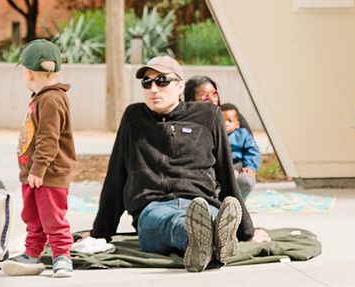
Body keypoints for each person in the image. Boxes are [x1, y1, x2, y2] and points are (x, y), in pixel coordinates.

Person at [84, 56, 270, 272]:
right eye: (147, 82)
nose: (154, 89)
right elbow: (116, 176)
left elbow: (225, 173)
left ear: (180, 85)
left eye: (162, 81)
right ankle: (209, 241)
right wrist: (100, 232)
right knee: (175, 224)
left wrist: (247, 230)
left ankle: (211, 239)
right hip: (153, 208)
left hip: (202, 201)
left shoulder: (208, 115)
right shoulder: (134, 118)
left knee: (211, 216)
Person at [2, 40, 77, 280]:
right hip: (33, 172)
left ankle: (62, 255)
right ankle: (32, 253)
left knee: (52, 216)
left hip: (48, 173)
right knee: (32, 216)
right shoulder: (41, 96)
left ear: (29, 73)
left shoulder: (51, 99)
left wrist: (40, 168)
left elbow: (48, 137)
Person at [220, 103, 259, 198]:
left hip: (240, 167)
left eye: (230, 121)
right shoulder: (215, 136)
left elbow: (252, 151)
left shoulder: (243, 135)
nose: (226, 123)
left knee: (246, 180)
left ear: (237, 124)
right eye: (222, 120)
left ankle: (240, 199)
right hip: (222, 169)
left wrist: (250, 166)